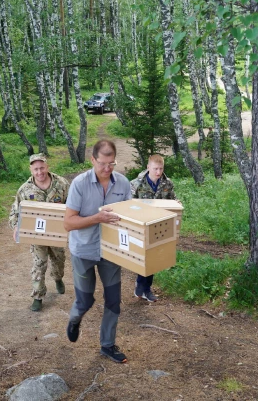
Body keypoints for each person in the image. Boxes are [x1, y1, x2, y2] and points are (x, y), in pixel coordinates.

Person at [63, 140, 131, 363]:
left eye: (112, 163)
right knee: (85, 300)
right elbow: (69, 223)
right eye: (103, 163)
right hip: (83, 250)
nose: (107, 169)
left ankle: (107, 345)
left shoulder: (123, 184)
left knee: (113, 300)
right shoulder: (79, 184)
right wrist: (97, 218)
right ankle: (74, 319)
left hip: (111, 253)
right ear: (93, 160)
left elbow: (130, 217)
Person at [9, 153, 70, 312]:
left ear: (47, 166)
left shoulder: (62, 184)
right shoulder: (24, 189)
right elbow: (15, 212)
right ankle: (38, 296)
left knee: (59, 260)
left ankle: (58, 278)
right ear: (31, 169)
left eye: (42, 167)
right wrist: (16, 226)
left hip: (57, 234)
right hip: (37, 235)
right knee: (39, 264)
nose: (39, 172)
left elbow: (72, 205)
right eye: (35, 169)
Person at [130, 154, 178, 303]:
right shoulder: (136, 184)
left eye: (161, 168)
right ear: (148, 167)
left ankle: (145, 288)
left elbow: (172, 201)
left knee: (154, 256)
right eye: (155, 168)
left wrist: (176, 203)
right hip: (140, 225)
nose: (158, 172)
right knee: (143, 255)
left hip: (159, 226)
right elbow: (128, 205)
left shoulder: (167, 184)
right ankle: (142, 286)